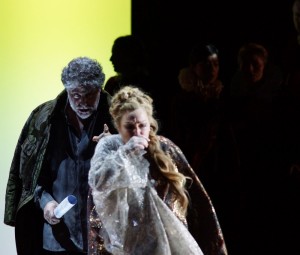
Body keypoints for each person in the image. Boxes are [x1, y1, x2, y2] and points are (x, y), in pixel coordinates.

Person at [87, 86, 228, 255]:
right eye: (129, 127)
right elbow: (97, 181)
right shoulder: (111, 147)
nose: (137, 132)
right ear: (118, 126)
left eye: (142, 126)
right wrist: (125, 153)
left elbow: (196, 198)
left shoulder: (164, 147)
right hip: (129, 246)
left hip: (170, 241)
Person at [4, 56, 115, 255]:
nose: (83, 102)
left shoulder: (118, 118)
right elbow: (30, 178)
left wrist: (117, 147)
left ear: (100, 90)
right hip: (57, 239)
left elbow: (141, 174)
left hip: (105, 238)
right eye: (76, 95)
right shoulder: (44, 119)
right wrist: (46, 203)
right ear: (67, 90)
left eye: (89, 95)